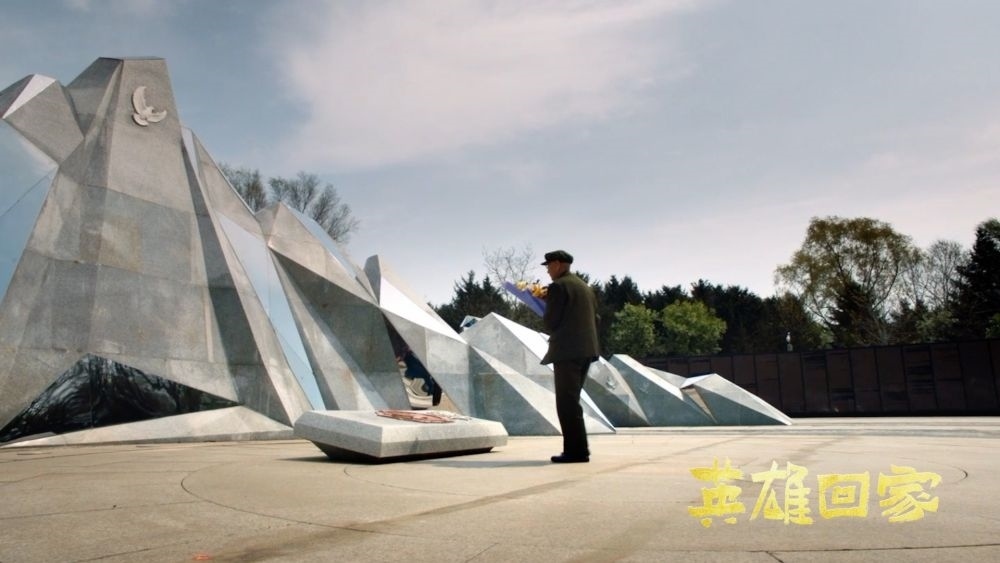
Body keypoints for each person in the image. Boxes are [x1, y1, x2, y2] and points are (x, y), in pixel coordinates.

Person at [539, 250, 600, 463]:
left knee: (566, 403)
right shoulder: (584, 287)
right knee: (572, 400)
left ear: (557, 264)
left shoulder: (558, 287)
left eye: (548, 266)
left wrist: (546, 303)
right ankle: (579, 449)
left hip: (567, 351)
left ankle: (576, 451)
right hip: (586, 349)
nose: (547, 270)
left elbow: (551, 322)